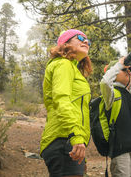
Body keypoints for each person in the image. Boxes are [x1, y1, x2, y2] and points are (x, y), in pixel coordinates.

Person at [40, 29, 92, 177]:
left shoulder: (72, 69)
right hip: (64, 140)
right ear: (65, 43)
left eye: (88, 40)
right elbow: (61, 100)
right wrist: (75, 137)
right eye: (81, 37)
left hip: (68, 141)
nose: (86, 41)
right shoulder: (63, 64)